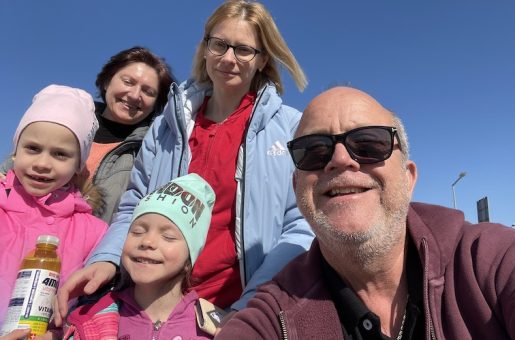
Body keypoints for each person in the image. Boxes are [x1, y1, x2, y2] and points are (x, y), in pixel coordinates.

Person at [56, 0, 314, 326]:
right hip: (151, 304)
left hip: (237, 308)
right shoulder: (168, 125)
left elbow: (301, 226)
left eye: (244, 50)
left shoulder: (292, 128)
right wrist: (108, 257)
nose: (229, 58)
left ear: (262, 59)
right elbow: (134, 204)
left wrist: (254, 305)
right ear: (205, 48)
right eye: (219, 44)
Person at [216, 86, 515, 339]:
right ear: (297, 186)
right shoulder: (273, 315)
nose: (341, 159)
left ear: (408, 176)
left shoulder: (495, 264)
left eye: (370, 144)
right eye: (314, 150)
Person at [0, 46, 175, 224]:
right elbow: (7, 172)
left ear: (156, 104)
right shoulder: (59, 121)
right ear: (107, 81)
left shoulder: (152, 153)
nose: (135, 95)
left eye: (148, 91)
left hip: (93, 246)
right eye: (128, 82)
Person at [0, 85, 108, 338]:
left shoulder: (93, 232)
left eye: (60, 155)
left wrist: (57, 335)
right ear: (16, 151)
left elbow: (90, 309)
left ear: (78, 167)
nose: (42, 164)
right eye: (33, 148)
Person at [62, 174, 215, 340]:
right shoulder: (92, 319)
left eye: (168, 236)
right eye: (137, 231)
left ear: (189, 258)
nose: (147, 241)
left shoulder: (211, 330)